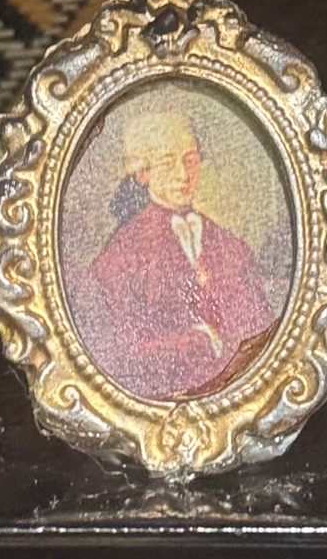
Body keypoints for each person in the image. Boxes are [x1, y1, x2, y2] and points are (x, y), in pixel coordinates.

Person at [75, 109, 277, 401]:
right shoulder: (120, 258)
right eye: (168, 162)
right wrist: (196, 344)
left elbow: (262, 326)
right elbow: (120, 353)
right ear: (143, 173)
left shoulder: (231, 245)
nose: (183, 174)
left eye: (191, 160)